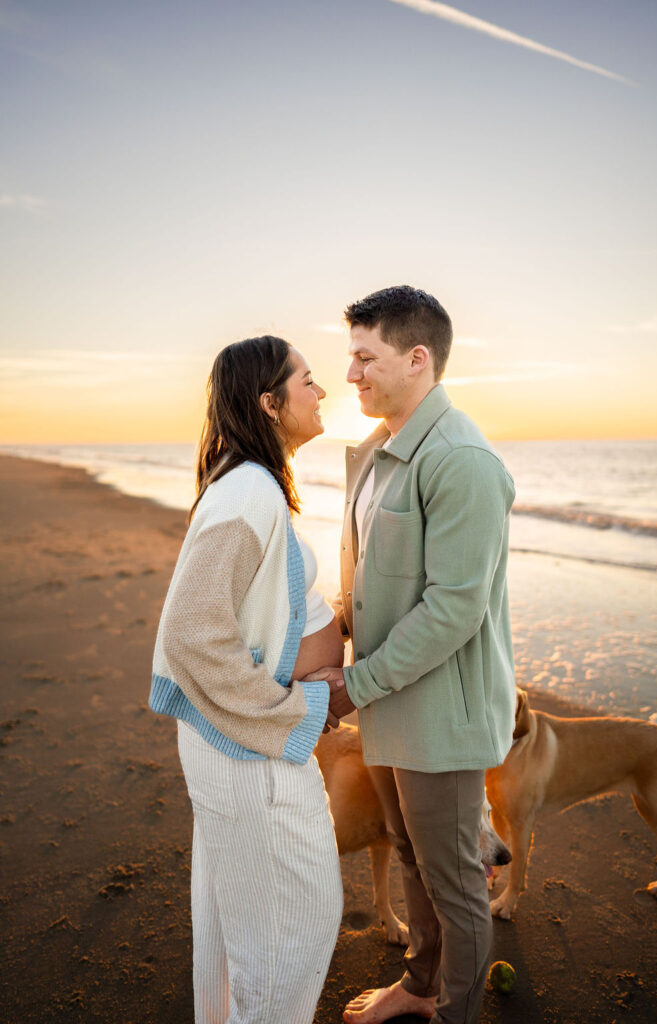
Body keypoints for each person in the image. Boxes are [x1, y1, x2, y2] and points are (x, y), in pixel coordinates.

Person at [309, 286, 516, 1024]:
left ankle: (454, 1013)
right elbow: (373, 586)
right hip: (392, 701)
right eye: (351, 359)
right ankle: (420, 988)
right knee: (409, 852)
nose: (351, 375)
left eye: (365, 358)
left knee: (455, 880)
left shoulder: (460, 460)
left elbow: (452, 609)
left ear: (417, 358)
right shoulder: (378, 453)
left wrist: (351, 685)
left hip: (441, 720)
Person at [149, 336, 344, 1024]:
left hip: (235, 746)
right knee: (294, 925)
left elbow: (258, 608)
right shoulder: (249, 492)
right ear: (269, 403)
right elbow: (191, 632)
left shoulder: (249, 484)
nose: (323, 391)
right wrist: (296, 708)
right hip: (248, 748)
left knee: (241, 928)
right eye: (308, 380)